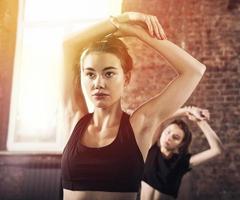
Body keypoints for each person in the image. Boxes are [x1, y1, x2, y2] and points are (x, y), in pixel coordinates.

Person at [60, 12, 206, 200]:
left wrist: (138, 33)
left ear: (126, 78)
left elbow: (194, 71)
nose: (98, 83)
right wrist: (120, 20)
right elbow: (68, 46)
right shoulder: (74, 118)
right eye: (90, 74)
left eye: (109, 73)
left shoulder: (139, 125)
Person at [141, 106, 223, 200]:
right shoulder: (151, 149)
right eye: (168, 132)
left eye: (175, 137)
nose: (169, 138)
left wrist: (200, 121)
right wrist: (188, 110)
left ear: (181, 144)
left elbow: (217, 150)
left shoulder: (181, 162)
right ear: (162, 132)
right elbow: (159, 117)